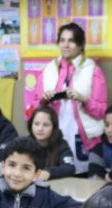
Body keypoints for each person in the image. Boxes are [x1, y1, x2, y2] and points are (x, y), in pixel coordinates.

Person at [40, 22, 108, 174]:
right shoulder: (50, 68)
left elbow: (101, 111)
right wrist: (44, 100)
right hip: (54, 135)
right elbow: (36, 106)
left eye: (71, 41)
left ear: (81, 44)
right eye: (62, 40)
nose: (65, 45)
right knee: (56, 176)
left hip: (82, 136)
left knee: (82, 177)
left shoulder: (92, 70)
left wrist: (83, 99)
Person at [28, 105, 75, 180]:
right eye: (36, 124)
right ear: (31, 125)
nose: (40, 129)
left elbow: (69, 168)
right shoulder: (24, 144)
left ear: (54, 127)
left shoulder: (61, 144)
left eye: (46, 125)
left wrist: (49, 173)